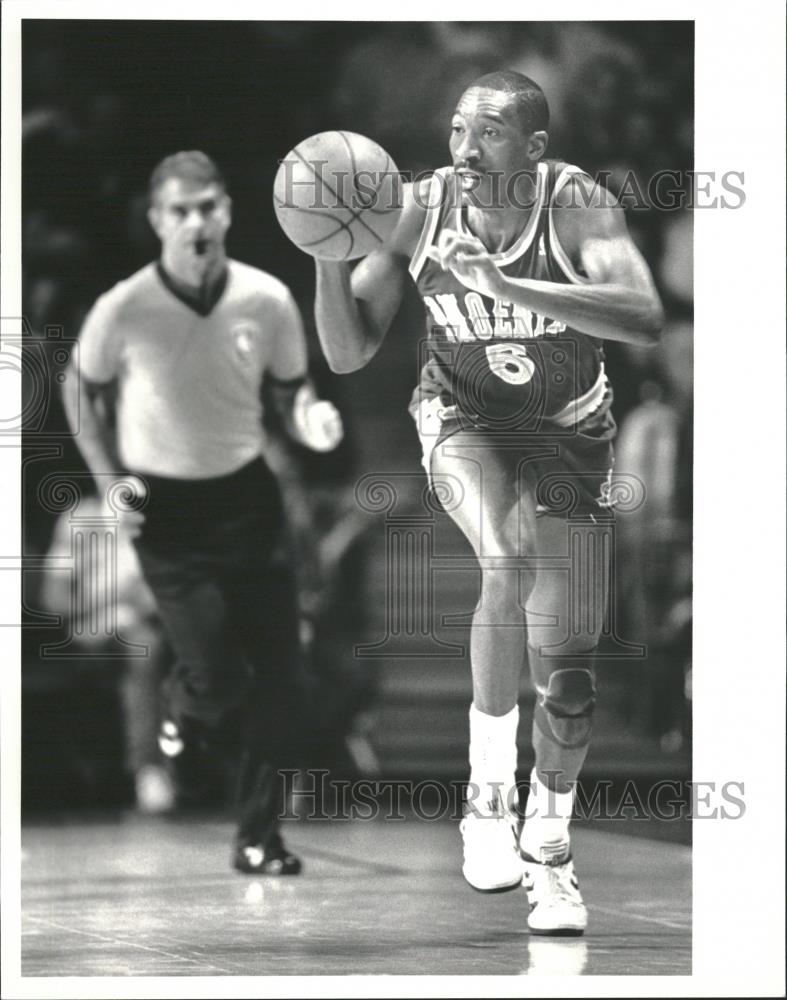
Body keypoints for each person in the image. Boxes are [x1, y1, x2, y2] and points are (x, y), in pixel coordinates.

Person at [311, 71, 662, 934]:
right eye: (458, 129)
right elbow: (350, 350)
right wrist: (325, 259)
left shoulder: (574, 200)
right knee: (503, 558)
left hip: (570, 434)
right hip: (463, 418)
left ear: (534, 149)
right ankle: (484, 797)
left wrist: (511, 291)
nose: (465, 150)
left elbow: (644, 314)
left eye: (490, 133)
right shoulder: (420, 208)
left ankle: (549, 851)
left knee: (569, 683)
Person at [62, 150, 343, 874]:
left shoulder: (266, 298)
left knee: (282, 678)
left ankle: (258, 837)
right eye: (181, 211)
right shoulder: (125, 306)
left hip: (246, 496)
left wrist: (310, 421)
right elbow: (79, 390)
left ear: (227, 213)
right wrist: (107, 480)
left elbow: (291, 391)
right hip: (166, 509)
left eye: (209, 207)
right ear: (157, 220)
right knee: (215, 675)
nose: (197, 222)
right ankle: (176, 715)